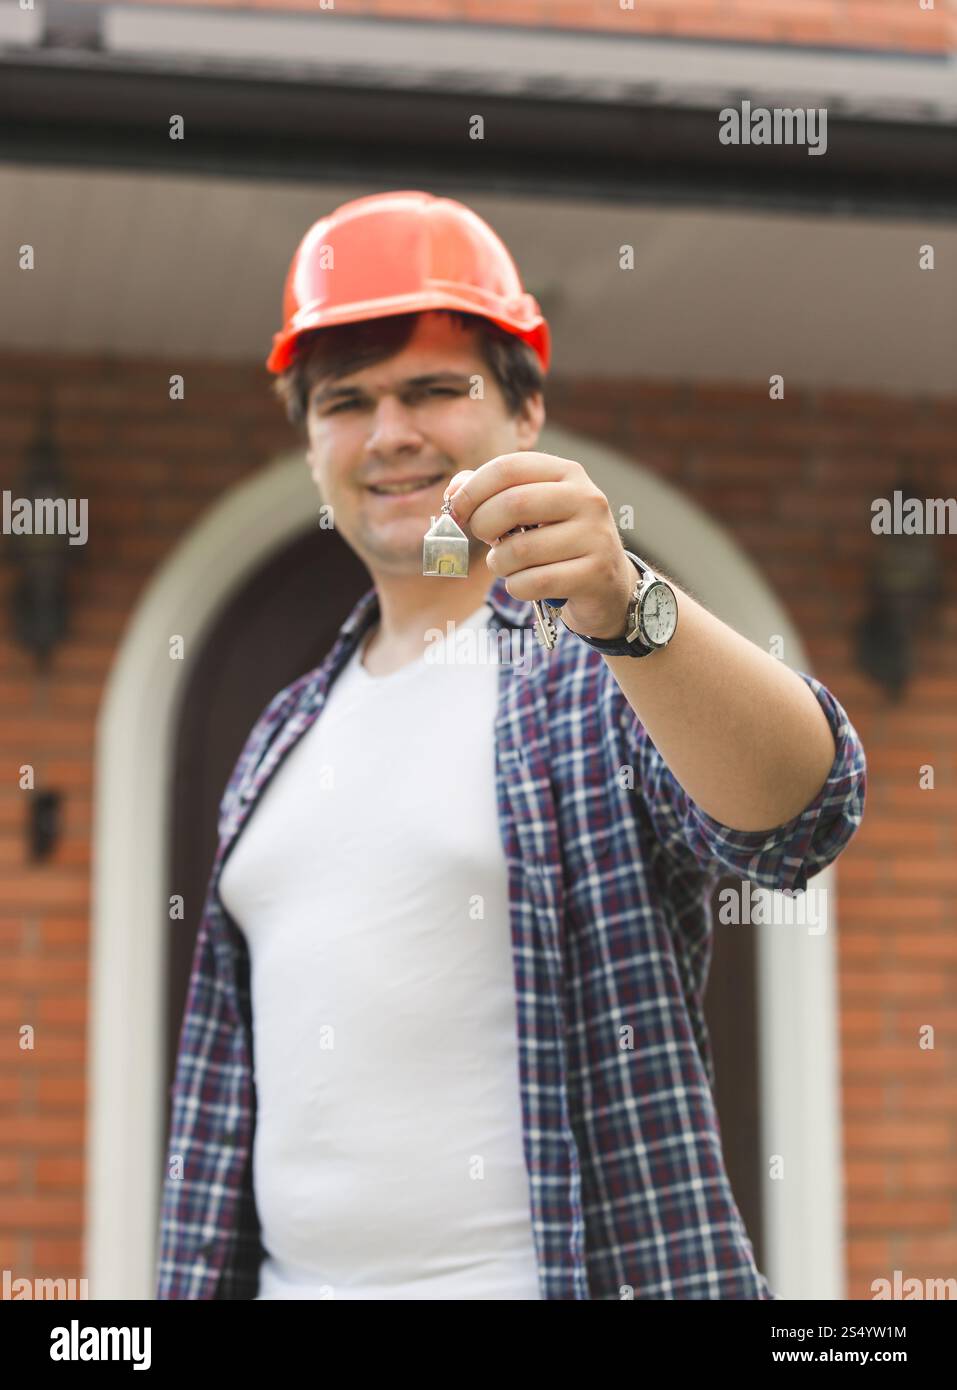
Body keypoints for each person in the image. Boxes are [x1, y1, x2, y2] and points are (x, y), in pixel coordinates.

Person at [156, 190, 866, 1300]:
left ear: (525, 411)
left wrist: (632, 606)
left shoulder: (598, 669)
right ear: (309, 446)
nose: (390, 432)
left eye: (435, 388)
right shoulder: (282, 733)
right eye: (346, 402)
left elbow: (802, 816)